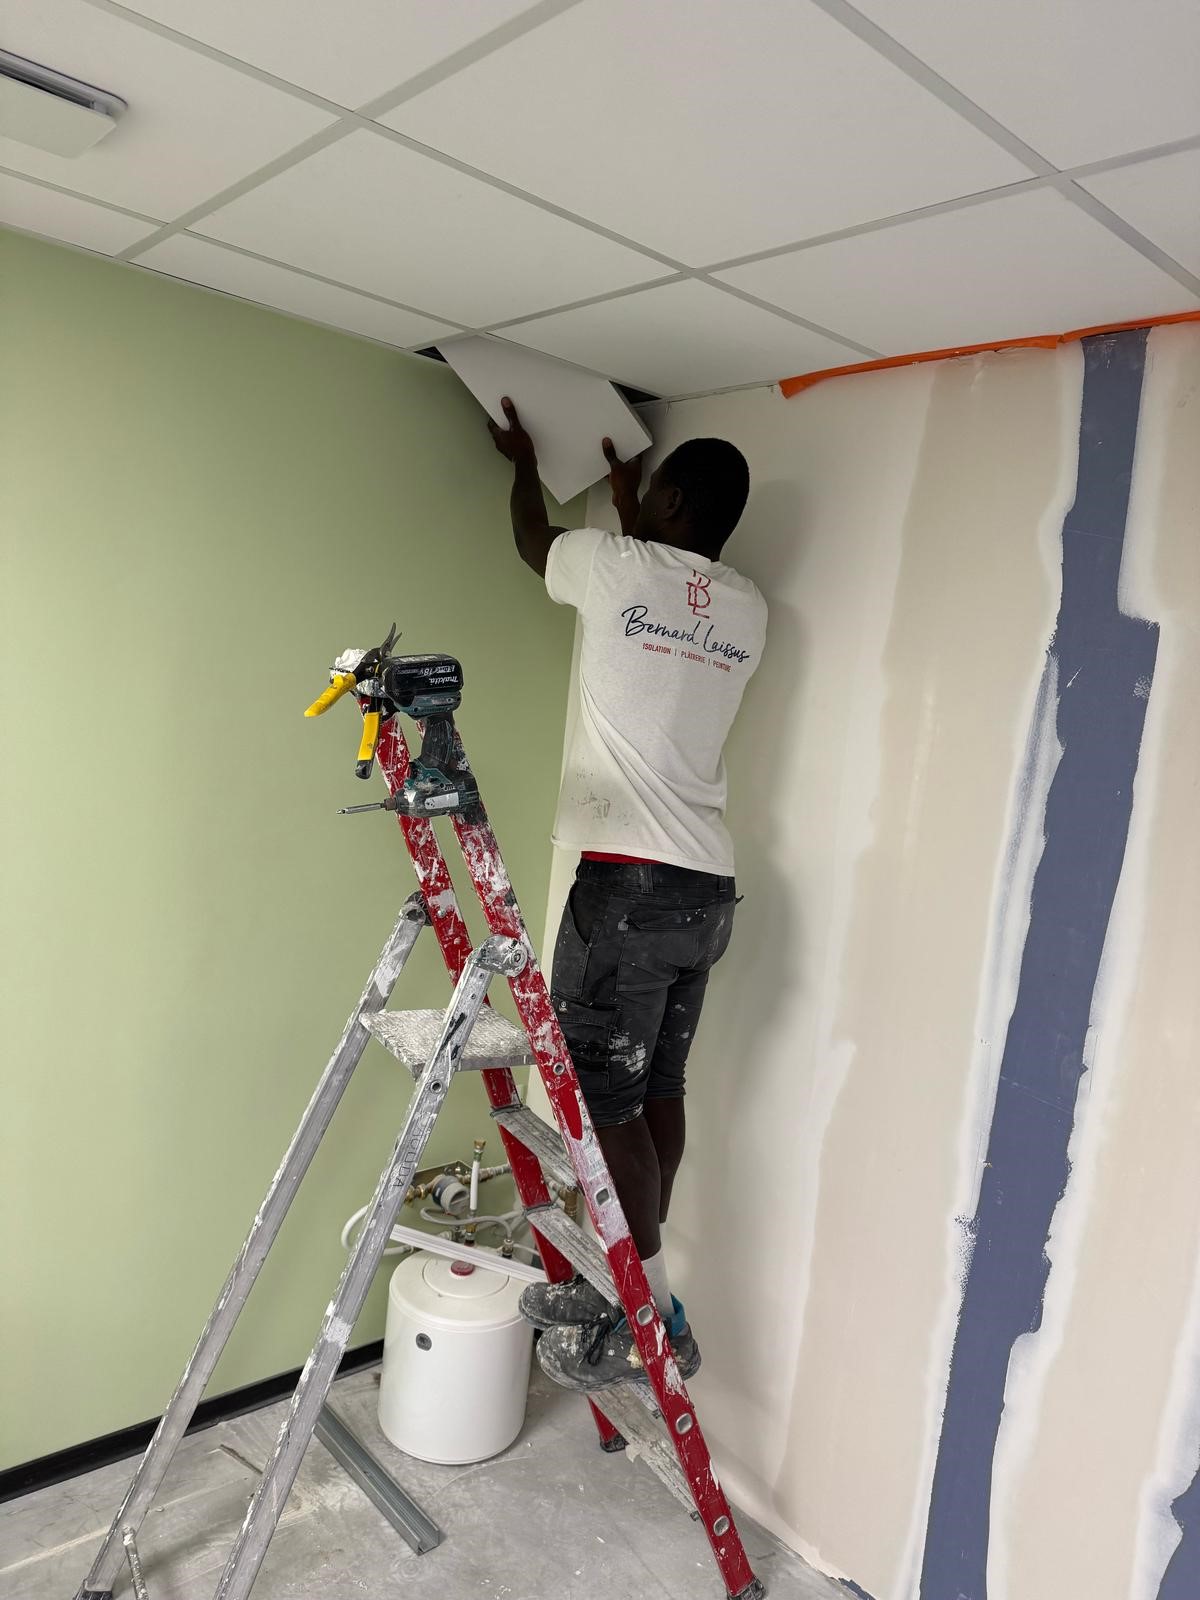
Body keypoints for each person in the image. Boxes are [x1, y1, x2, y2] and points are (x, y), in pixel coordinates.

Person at [489, 397, 767, 1391]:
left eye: (654, 496)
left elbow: (533, 541)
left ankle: (647, 1311)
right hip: (704, 892)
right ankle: (633, 1285)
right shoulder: (747, 607)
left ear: (674, 499)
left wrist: (523, 459)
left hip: (627, 892)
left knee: (604, 1103)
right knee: (654, 1092)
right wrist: (630, 503)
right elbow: (665, 583)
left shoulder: (616, 568)